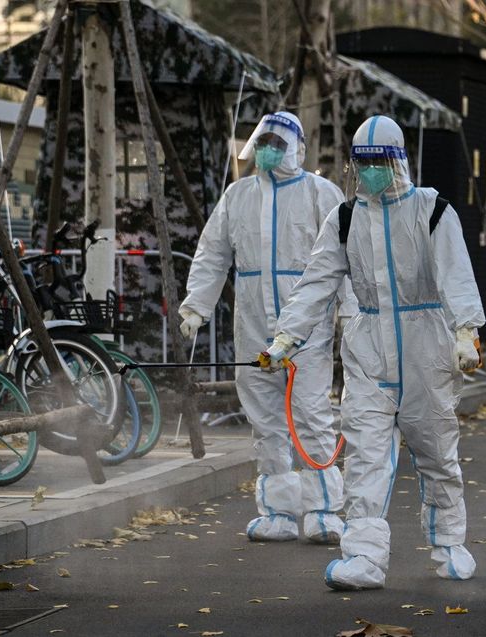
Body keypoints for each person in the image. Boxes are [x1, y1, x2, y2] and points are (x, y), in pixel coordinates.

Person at [261, 115, 485, 590]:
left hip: (427, 352)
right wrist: (287, 338)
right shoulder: (345, 218)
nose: (369, 173)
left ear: (398, 160)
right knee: (364, 458)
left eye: (378, 162)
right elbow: (316, 282)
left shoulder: (432, 210)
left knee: (438, 455)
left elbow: (456, 274)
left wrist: (466, 331)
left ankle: (449, 543)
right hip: (368, 355)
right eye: (362, 164)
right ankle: (363, 557)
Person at [179, 112, 353, 544]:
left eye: (277, 141)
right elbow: (212, 253)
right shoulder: (238, 196)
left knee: (311, 417)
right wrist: (196, 306)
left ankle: (323, 511)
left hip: (307, 333)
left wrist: (351, 313)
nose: (268, 148)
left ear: (296, 147)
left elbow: (348, 256)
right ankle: (277, 511)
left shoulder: (320, 193)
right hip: (253, 328)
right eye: (263, 141)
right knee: (266, 422)